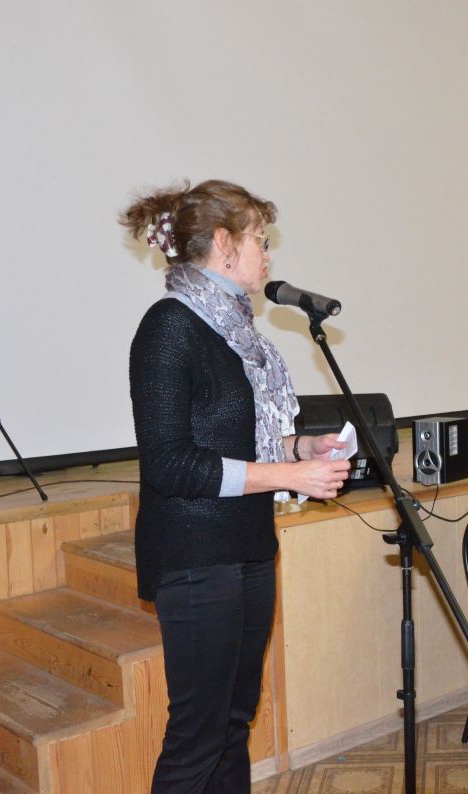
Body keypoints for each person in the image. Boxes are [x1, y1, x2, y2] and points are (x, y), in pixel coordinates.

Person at [122, 180, 352, 793]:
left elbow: (240, 440)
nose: (268, 254)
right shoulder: (170, 327)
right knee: (198, 737)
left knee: (233, 723)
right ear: (224, 244)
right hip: (195, 556)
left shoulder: (238, 332)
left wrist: (300, 449)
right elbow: (170, 464)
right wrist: (288, 476)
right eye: (260, 240)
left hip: (248, 547)